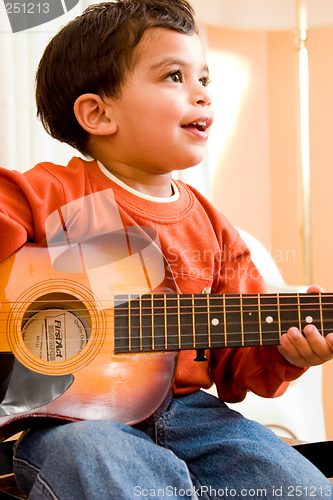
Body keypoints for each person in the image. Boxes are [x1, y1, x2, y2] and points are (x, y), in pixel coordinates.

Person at [0, 1, 333, 498]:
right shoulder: (48, 191)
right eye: (174, 76)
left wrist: (289, 352)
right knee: (92, 455)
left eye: (205, 78)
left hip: (190, 415)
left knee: (299, 486)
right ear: (98, 113)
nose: (201, 94)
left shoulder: (214, 228)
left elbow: (238, 360)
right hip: (70, 420)